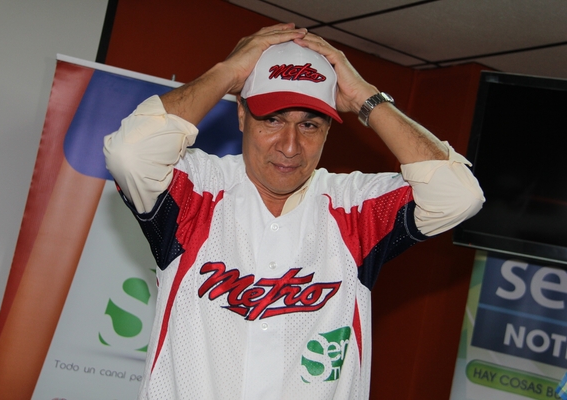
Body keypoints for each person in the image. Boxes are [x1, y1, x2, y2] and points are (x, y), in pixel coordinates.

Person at [103, 23, 484, 400]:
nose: (290, 146)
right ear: (241, 115)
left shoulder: (354, 208)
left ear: (328, 130)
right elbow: (128, 153)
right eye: (273, 119)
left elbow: (458, 196)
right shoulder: (196, 190)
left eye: (310, 125)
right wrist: (228, 73)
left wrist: (366, 99)